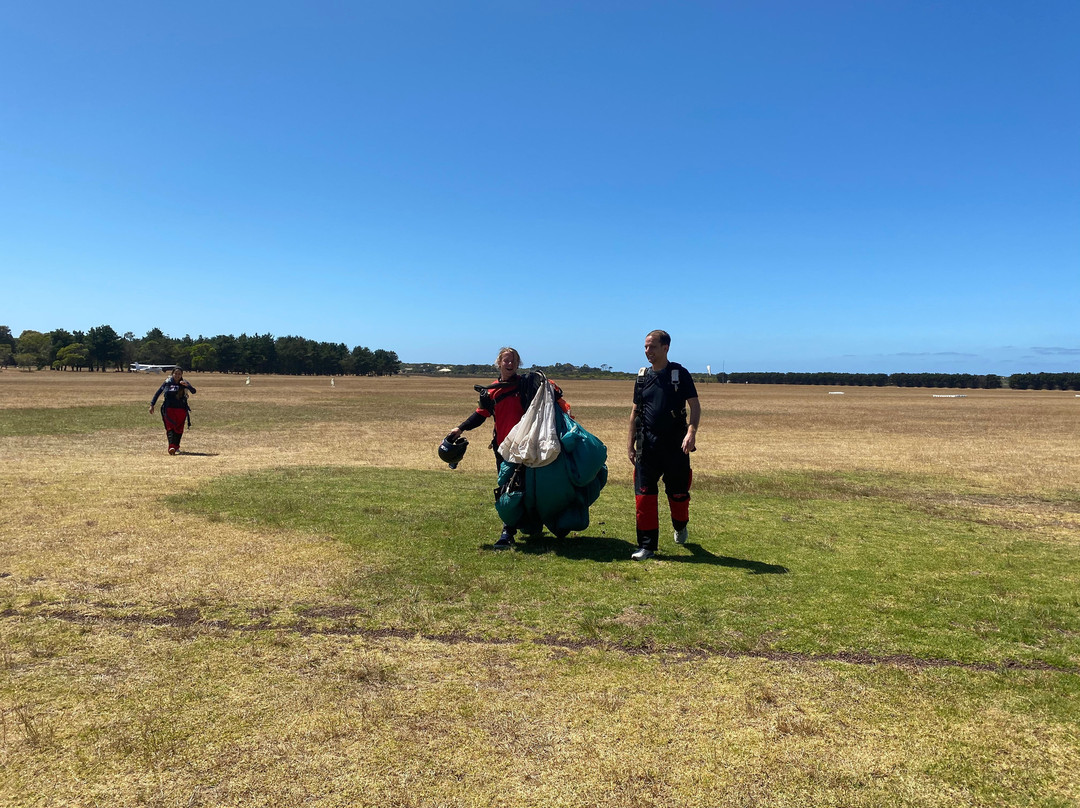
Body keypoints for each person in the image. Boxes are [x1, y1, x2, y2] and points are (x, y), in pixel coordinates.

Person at [447, 347, 571, 549]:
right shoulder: (491, 391)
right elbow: (481, 415)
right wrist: (460, 428)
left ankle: (526, 525)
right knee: (508, 489)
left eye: (513, 360)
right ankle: (508, 531)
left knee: (528, 487)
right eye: (506, 360)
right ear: (499, 363)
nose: (510, 364)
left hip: (528, 447)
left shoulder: (527, 385)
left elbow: (550, 396)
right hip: (503, 448)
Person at [627, 330, 700, 560]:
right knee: (644, 496)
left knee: (678, 494)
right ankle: (647, 546)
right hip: (647, 446)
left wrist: (691, 432)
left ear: (666, 348)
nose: (648, 351)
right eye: (646, 347)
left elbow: (695, 407)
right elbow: (634, 412)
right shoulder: (641, 377)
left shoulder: (679, 374)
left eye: (653, 347)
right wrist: (630, 444)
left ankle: (680, 525)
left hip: (676, 447)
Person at [149, 368, 196, 455]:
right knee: (170, 428)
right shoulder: (167, 382)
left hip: (181, 409)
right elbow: (158, 393)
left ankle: (176, 446)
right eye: (176, 373)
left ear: (181, 375)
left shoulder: (184, 382)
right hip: (169, 409)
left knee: (179, 428)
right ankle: (171, 446)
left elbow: (193, 391)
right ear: (172, 374)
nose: (177, 375)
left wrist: (187, 386)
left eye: (179, 374)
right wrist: (152, 404)